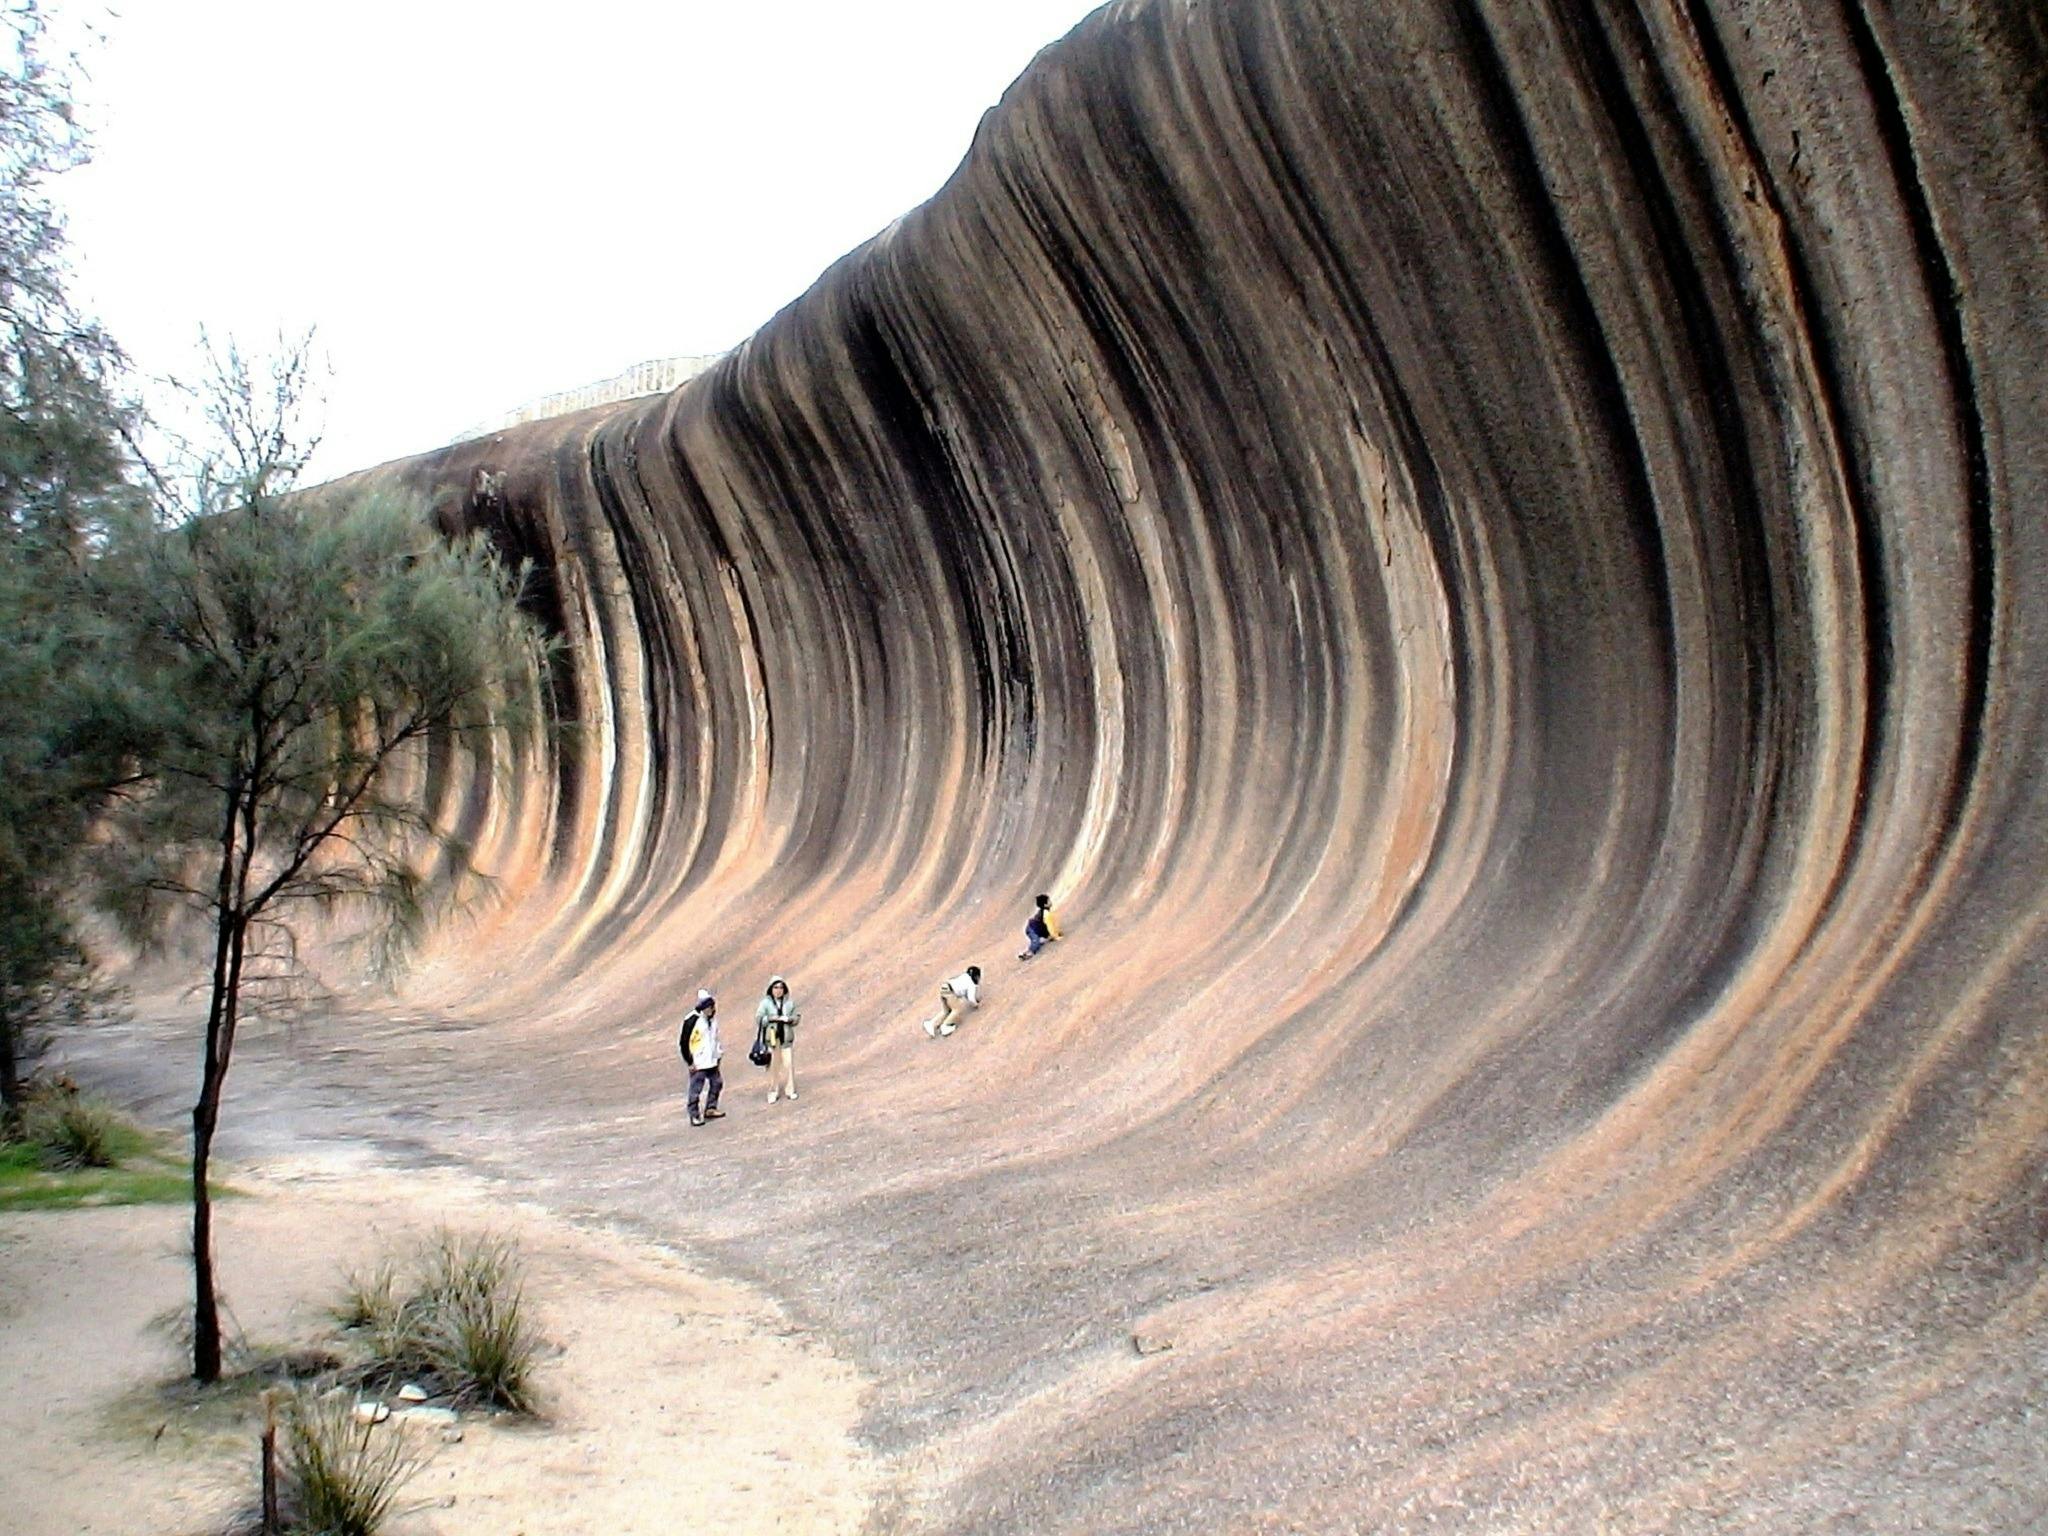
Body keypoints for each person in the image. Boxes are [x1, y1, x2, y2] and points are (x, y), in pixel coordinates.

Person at [678, 990, 724, 1126]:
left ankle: (711, 1107)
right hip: (698, 1061)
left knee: (717, 1083)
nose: (711, 1010)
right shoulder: (692, 1020)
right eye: (708, 1008)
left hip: (711, 1059)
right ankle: (694, 1114)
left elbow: (715, 1038)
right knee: (696, 1089)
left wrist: (718, 1054)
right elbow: (683, 1042)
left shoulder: (713, 1020)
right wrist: (689, 1061)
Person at [757, 975, 802, 1104]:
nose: (778, 990)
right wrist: (770, 1019)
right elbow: (759, 1018)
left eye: (781, 988)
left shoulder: (789, 1003)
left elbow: (797, 1017)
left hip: (786, 1038)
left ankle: (790, 1090)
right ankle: (773, 1091)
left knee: (788, 1065)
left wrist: (790, 1019)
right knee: (773, 1067)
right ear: (771, 989)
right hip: (772, 1038)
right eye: (775, 987)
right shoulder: (765, 1003)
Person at [922, 965, 982, 1037]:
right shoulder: (971, 984)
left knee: (946, 1011)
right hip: (950, 991)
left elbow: (965, 993)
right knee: (957, 1009)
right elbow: (971, 998)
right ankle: (945, 1026)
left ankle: (931, 1023)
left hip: (944, 987)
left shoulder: (964, 976)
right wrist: (976, 1004)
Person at [1018, 893, 1062, 960]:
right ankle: (1029, 952)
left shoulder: (1046, 912)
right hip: (1031, 929)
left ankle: (1039, 943)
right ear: (1045, 904)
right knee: (1036, 942)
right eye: (1049, 901)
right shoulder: (1046, 913)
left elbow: (1052, 924)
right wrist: (1056, 936)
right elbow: (1050, 927)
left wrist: (1057, 932)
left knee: (1043, 936)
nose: (1050, 901)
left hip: (1038, 929)